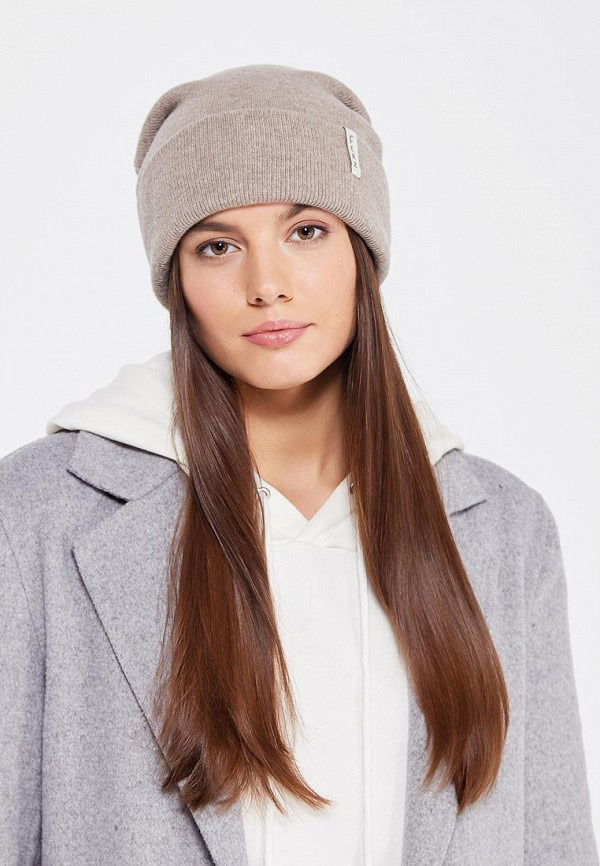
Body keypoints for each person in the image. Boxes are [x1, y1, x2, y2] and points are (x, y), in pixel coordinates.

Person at [0, 63, 597, 866]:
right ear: (178, 279)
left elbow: (552, 843)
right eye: (218, 246)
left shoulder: (506, 531)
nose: (268, 284)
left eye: (306, 231)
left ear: (362, 251)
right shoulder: (37, 515)